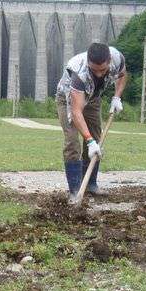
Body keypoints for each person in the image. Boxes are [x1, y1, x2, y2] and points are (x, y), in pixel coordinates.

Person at [56, 42, 127, 203]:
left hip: (93, 98)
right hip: (67, 99)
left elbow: (122, 75)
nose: (100, 74)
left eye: (103, 70)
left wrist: (117, 96)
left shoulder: (117, 58)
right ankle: (75, 191)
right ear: (88, 62)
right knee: (72, 141)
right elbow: (76, 111)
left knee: (97, 137)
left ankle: (90, 185)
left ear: (109, 61)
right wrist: (88, 141)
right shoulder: (78, 73)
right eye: (94, 70)